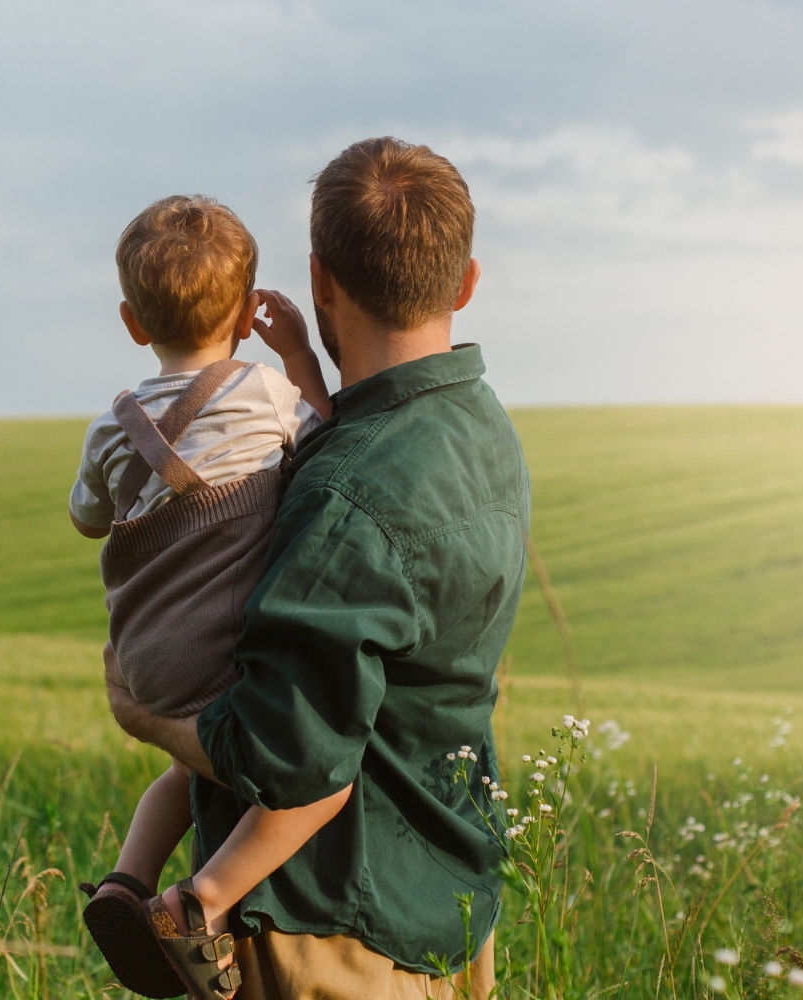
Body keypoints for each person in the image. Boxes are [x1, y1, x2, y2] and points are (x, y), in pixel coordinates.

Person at [105, 137, 530, 1000]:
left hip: (331, 931)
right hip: (445, 903)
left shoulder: (345, 496)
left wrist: (145, 714)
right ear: (467, 283)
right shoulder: (481, 429)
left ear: (321, 281)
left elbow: (286, 759)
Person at [69, 194, 352, 999]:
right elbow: (328, 429)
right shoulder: (264, 393)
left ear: (131, 321)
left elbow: (88, 521)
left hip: (145, 660)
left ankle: (126, 882)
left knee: (191, 776)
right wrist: (299, 351)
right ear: (243, 313)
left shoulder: (110, 427)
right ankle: (203, 902)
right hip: (226, 653)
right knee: (320, 776)